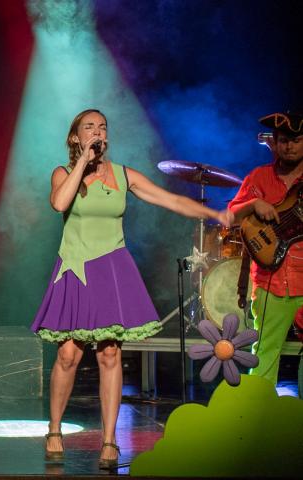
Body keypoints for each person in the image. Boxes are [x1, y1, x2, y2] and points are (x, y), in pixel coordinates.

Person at [32, 109, 233, 470]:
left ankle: (110, 440)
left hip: (111, 269)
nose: (98, 131)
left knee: (110, 354)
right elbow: (59, 203)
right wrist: (83, 162)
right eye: (89, 127)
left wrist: (214, 215)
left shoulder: (123, 175)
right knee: (69, 355)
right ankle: (54, 429)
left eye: (102, 127)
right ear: (75, 137)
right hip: (75, 268)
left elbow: (170, 199)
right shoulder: (63, 173)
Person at [228, 111, 303, 386]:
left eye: (296, 140)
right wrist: (253, 204)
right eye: (284, 140)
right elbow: (230, 215)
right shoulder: (259, 177)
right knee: (264, 354)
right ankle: (258, 409)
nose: (289, 146)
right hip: (271, 281)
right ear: (275, 142)